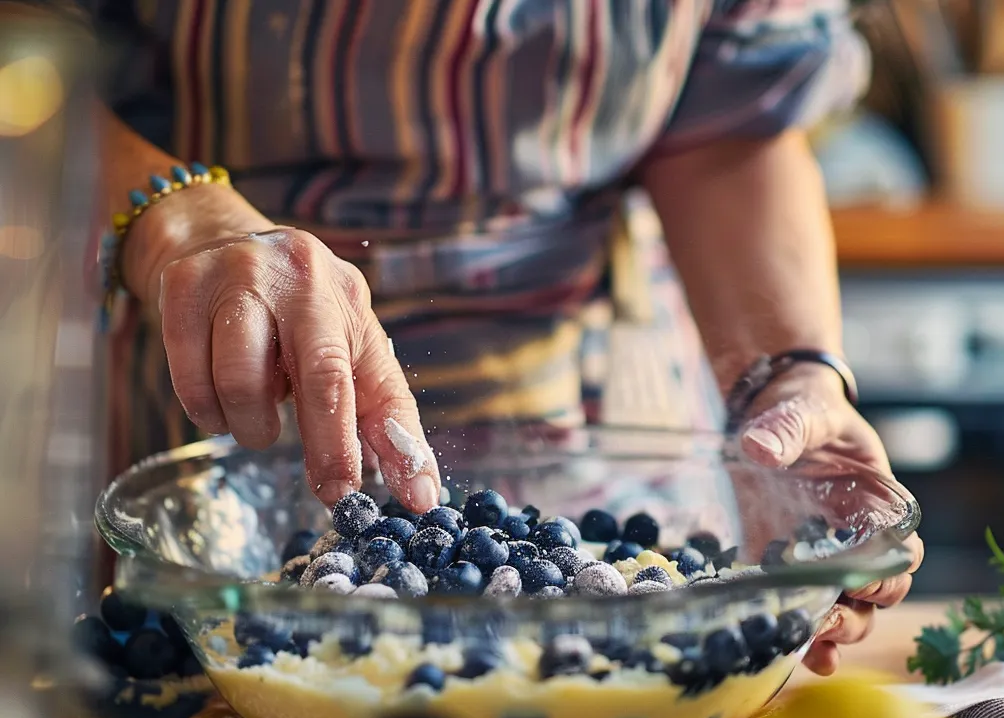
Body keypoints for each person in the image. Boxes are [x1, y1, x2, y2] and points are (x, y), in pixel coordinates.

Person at [71, 0, 922, 675]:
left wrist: (787, 375)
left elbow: (735, 120)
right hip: (228, 441)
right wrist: (180, 221)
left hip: (599, 417)